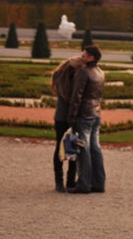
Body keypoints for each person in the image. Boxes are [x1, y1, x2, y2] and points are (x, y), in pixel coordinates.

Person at [66, 45, 106, 194]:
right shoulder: (100, 72)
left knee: (84, 150)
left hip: (84, 115)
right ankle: (99, 183)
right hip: (96, 114)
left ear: (91, 58)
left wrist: (71, 116)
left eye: (84, 55)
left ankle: (84, 184)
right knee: (95, 149)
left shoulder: (84, 72)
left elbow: (77, 96)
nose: (81, 57)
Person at [50, 55, 83, 192]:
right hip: (71, 117)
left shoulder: (58, 75)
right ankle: (70, 181)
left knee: (60, 146)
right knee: (72, 148)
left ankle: (59, 181)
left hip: (60, 117)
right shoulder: (73, 78)